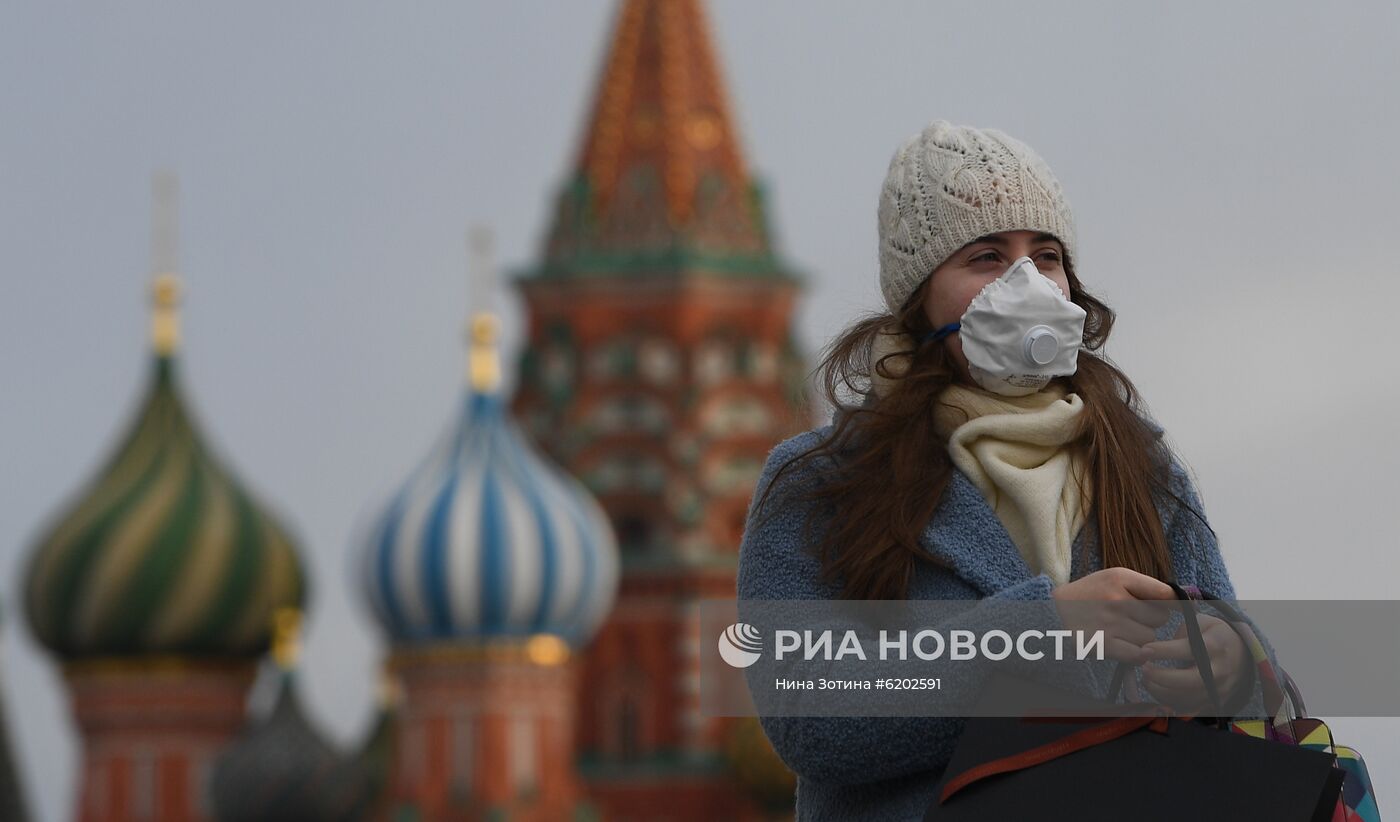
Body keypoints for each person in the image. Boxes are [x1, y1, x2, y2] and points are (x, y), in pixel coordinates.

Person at [736, 120, 1283, 821]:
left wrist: (1231, 666)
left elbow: (1235, 651)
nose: (1027, 282)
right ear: (919, 296)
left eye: (1047, 256)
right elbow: (812, 719)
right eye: (987, 257)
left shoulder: (1141, 468)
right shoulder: (821, 482)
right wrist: (1039, 632)